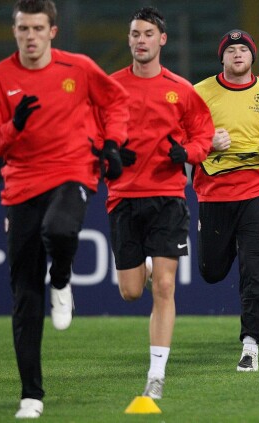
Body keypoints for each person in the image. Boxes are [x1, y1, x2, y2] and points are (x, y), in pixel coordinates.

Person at [0, 0, 129, 418]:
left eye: (38, 28)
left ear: (52, 31)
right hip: (21, 186)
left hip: (73, 170)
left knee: (60, 231)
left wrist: (111, 144)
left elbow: (116, 103)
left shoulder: (77, 68)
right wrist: (14, 126)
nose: (31, 36)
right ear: (14, 31)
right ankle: (31, 394)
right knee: (24, 295)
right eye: (23, 29)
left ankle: (61, 280)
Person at [103, 7, 214, 399]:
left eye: (148, 33)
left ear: (161, 39)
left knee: (164, 287)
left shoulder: (182, 89)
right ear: (129, 39)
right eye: (135, 34)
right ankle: (148, 266)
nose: (141, 40)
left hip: (168, 197)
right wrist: (109, 155)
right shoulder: (110, 87)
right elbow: (91, 136)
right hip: (124, 198)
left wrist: (186, 153)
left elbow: (205, 137)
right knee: (131, 292)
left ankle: (156, 374)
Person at [193, 29, 259, 371]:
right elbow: (180, 135)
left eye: (243, 50)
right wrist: (207, 141)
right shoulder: (199, 93)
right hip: (214, 192)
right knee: (211, 271)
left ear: (254, 57)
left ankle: (251, 343)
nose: (237, 54)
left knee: (253, 268)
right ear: (221, 58)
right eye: (230, 50)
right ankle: (225, 250)